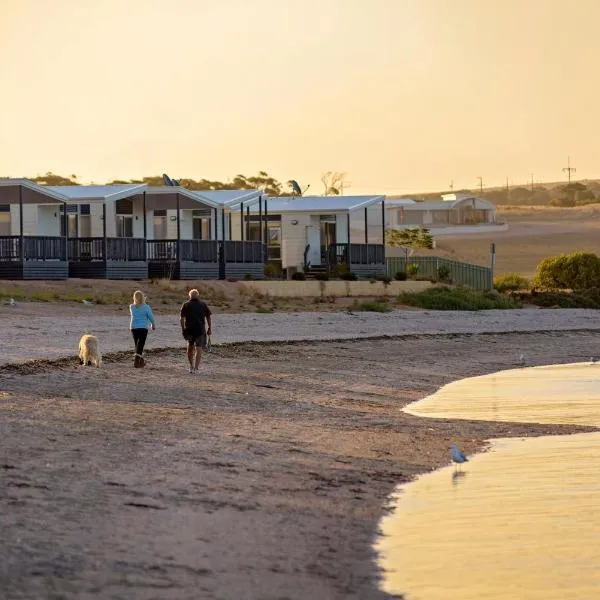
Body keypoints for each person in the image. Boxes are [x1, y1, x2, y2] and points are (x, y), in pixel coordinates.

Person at [180, 288, 212, 373]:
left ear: (189, 296)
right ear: (198, 295)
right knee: (199, 349)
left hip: (190, 330)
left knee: (190, 348)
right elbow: (208, 317)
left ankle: (191, 366)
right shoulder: (203, 304)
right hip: (200, 330)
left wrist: (183, 329)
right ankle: (196, 368)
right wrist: (209, 328)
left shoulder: (186, 305)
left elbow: (182, 318)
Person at [129, 290, 156, 368]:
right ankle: (136, 362)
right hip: (143, 328)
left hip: (133, 327)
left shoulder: (131, 306)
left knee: (137, 345)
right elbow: (150, 316)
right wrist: (153, 324)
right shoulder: (146, 307)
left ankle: (141, 361)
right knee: (140, 345)